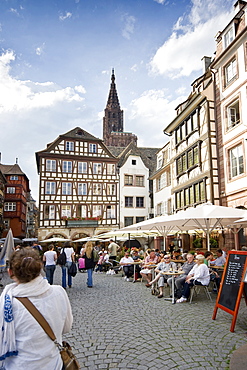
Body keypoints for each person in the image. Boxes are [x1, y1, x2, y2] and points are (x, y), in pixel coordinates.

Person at [0, 247, 73, 369]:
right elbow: (66, 328)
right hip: (53, 364)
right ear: (40, 268)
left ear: (10, 272)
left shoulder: (6, 303)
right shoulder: (59, 292)